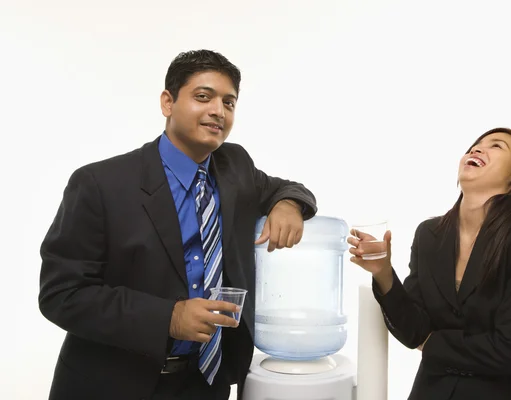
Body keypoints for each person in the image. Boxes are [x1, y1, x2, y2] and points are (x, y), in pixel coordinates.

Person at [38, 49, 317, 400]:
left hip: (206, 383)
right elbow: (61, 294)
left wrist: (288, 204)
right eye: (203, 97)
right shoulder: (100, 184)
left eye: (229, 103)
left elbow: (285, 188)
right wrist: (167, 317)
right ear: (167, 102)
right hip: (114, 383)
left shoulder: (235, 167)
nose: (218, 110)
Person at [348, 127, 511, 400]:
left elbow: (510, 350)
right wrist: (383, 272)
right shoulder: (429, 234)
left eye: (496, 146)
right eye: (475, 145)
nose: (476, 149)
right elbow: (414, 330)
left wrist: (432, 343)